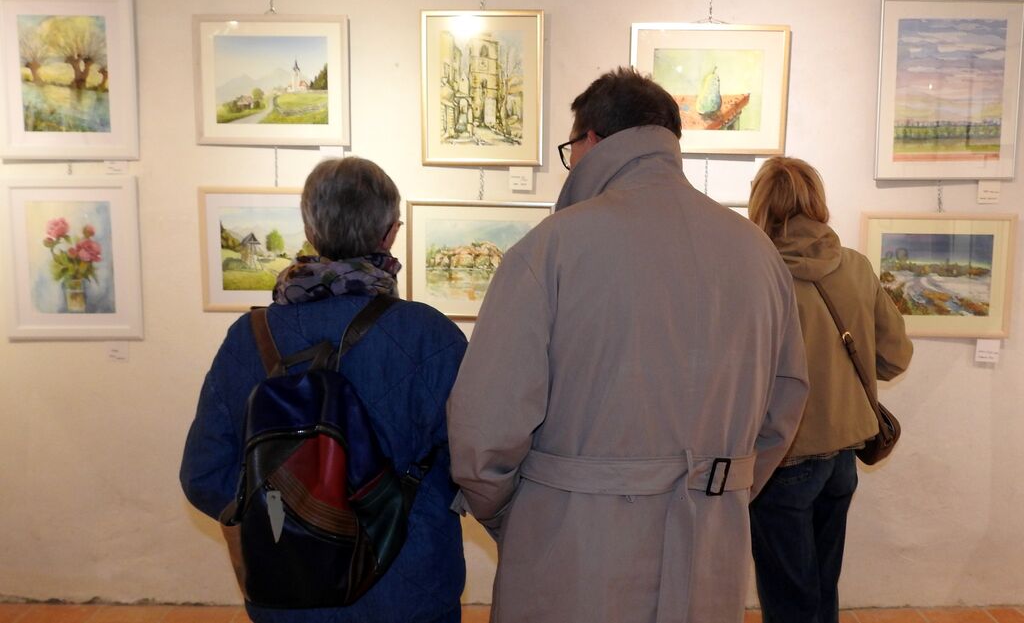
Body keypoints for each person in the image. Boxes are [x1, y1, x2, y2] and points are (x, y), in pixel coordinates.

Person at [446, 67, 811, 623]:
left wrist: (520, 514)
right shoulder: (758, 253)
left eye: (571, 150)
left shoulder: (550, 250)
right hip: (707, 553)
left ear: (591, 139)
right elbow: (783, 409)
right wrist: (716, 491)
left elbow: (484, 431)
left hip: (572, 554)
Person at [180, 157, 467, 623]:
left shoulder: (247, 337)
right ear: (390, 234)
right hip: (408, 586)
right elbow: (472, 465)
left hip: (290, 586)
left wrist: (284, 515)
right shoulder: (431, 335)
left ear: (310, 232)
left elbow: (204, 474)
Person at [746, 157, 913, 623]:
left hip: (782, 456)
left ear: (762, 203)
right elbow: (895, 357)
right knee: (821, 587)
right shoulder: (855, 266)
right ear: (817, 201)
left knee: (788, 595)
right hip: (843, 455)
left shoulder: (757, 273)